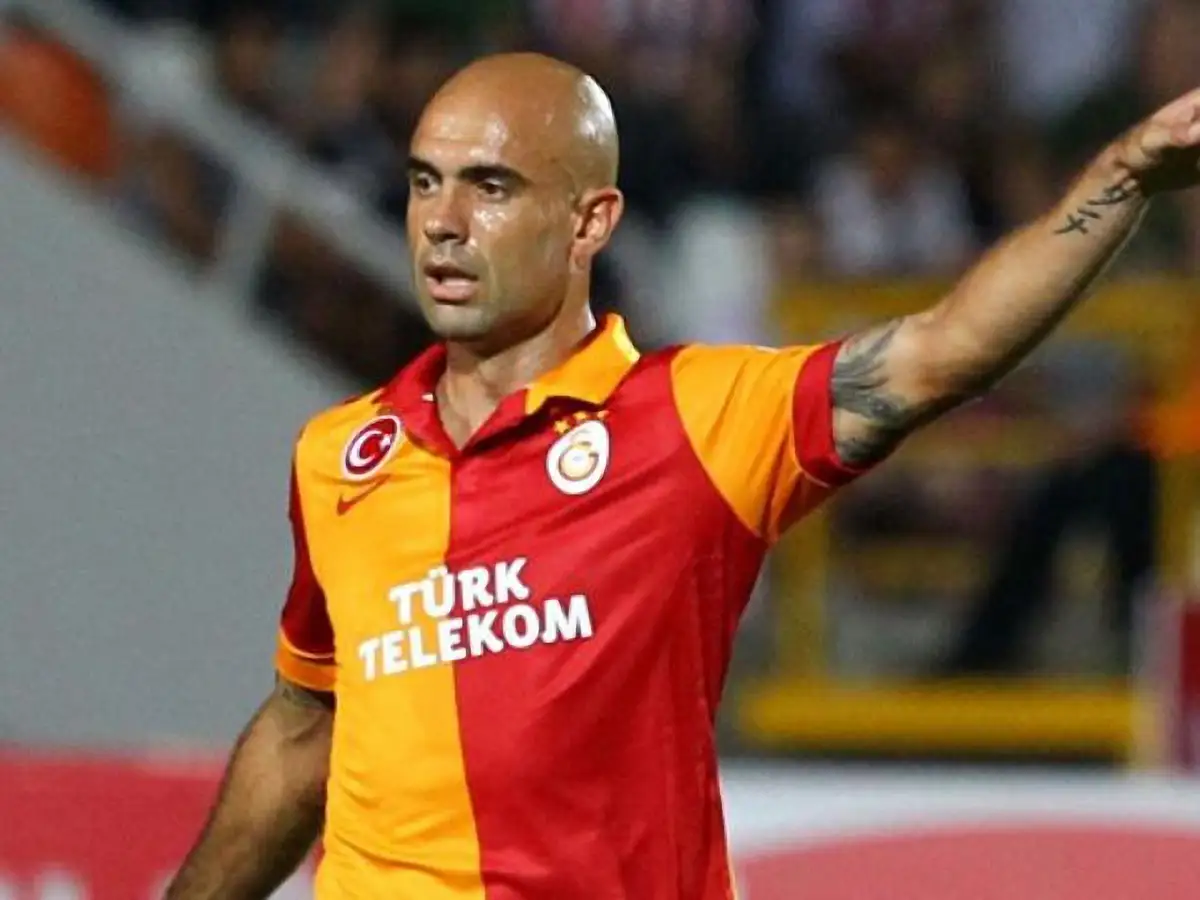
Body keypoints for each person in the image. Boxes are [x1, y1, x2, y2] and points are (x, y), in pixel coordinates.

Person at [164, 52, 1200, 899]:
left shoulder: (694, 422)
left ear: (590, 222)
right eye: (425, 181)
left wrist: (1118, 180)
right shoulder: (343, 455)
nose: (442, 220)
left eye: (491, 186)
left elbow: (943, 352)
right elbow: (306, 728)